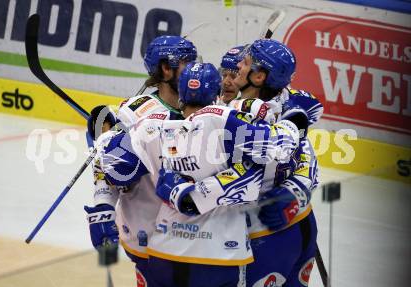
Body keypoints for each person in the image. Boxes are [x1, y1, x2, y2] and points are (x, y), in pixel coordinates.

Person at [98, 62, 301, 287]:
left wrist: (106, 134)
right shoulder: (226, 119)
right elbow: (278, 152)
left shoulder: (149, 127)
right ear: (217, 94)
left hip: (164, 250)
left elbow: (113, 166)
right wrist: (292, 121)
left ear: (181, 95)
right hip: (219, 255)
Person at [164, 39, 323, 287]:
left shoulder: (231, 115)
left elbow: (244, 170)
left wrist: (180, 191)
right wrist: (296, 194)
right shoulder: (289, 107)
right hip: (300, 223)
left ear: (259, 77)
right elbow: (307, 159)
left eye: (244, 63)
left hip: (260, 235)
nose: (237, 67)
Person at [83, 35, 197, 286]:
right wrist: (103, 204)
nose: (194, 70)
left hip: (197, 239)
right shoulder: (135, 113)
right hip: (148, 236)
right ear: (166, 70)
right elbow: (107, 163)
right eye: (186, 64)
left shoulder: (206, 101)